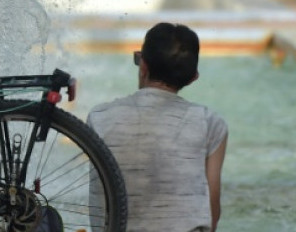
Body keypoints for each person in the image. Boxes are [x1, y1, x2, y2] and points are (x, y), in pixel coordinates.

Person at [87, 23, 229, 232]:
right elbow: (211, 213)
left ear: (143, 66)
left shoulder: (99, 117)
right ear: (192, 78)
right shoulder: (210, 123)